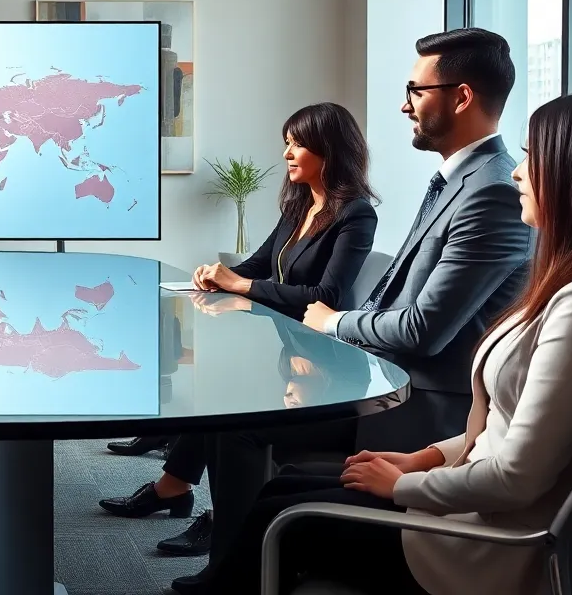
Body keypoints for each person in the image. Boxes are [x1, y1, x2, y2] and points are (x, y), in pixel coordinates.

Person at [198, 90, 572, 595]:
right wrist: (424, 458)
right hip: (476, 498)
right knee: (284, 487)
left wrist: (404, 484)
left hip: (486, 542)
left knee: (279, 515)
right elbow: (510, 427)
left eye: (532, 158)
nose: (518, 174)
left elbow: (517, 477)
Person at [168, 29, 535, 594]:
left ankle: (228, 576)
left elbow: (421, 328)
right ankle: (230, 567)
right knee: (233, 422)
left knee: (239, 430)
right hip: (383, 373)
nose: (405, 105)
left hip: (421, 401)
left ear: (461, 97)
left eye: (416, 90)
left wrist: (332, 323)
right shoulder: (457, 182)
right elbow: (394, 300)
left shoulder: (490, 191)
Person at [100, 102, 379, 556]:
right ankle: (175, 488)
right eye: (286, 144)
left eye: (297, 144)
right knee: (219, 395)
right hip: (288, 345)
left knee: (229, 411)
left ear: (329, 149)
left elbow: (325, 294)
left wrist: (242, 284)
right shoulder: (299, 206)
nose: (287, 154)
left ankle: (219, 526)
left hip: (324, 365)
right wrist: (217, 274)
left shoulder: (356, 214)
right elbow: (257, 264)